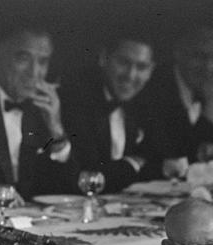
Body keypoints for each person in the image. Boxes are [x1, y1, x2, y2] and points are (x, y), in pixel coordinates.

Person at [0, 24, 79, 202]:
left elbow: (69, 188)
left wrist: (56, 129)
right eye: (23, 58)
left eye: (43, 62)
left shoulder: (47, 108)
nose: (34, 72)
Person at [62, 31, 162, 192]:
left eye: (141, 67)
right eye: (123, 62)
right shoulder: (77, 102)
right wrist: (132, 164)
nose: (131, 75)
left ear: (151, 70)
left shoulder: (146, 104)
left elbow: (159, 164)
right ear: (103, 58)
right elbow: (87, 177)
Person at [143, 25, 213, 170]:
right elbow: (178, 162)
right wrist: (211, 114)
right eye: (200, 56)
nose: (208, 68)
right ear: (178, 52)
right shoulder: (152, 88)